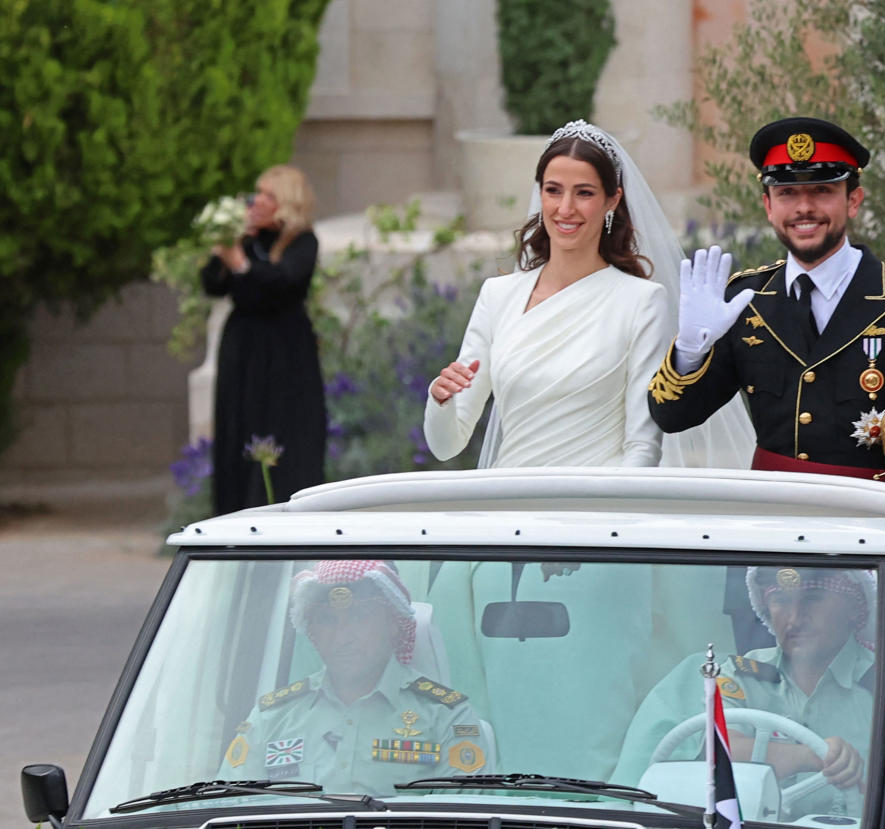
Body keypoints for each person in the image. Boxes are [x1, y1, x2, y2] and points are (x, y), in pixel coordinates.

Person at [420, 120, 751, 780]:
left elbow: (642, 443)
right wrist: (438, 397)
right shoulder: (498, 295)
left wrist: (594, 536)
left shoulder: (641, 302)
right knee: (492, 738)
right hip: (499, 547)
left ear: (611, 203)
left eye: (583, 192)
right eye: (553, 190)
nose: (566, 208)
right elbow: (451, 440)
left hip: (597, 554)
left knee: (592, 739)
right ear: (538, 196)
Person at [647, 117, 885, 496]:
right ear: (768, 205)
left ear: (853, 200)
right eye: (786, 193)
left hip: (870, 526)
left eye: (821, 190)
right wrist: (689, 351)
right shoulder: (746, 300)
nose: (804, 208)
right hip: (771, 521)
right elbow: (673, 417)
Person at [613, 566, 874, 818]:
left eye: (814, 599)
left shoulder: (883, 681)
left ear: (853, 607)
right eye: (780, 600)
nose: (794, 618)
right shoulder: (740, 674)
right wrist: (810, 756)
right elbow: (721, 749)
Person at [219, 560, 489, 793]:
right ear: (312, 631)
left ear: (393, 625)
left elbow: (464, 814)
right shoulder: (273, 716)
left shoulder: (446, 716)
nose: (342, 637)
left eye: (359, 616)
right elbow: (233, 802)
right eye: (327, 620)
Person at [201, 164, 326, 515]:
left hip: (285, 350)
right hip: (244, 347)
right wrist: (224, 249)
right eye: (258, 193)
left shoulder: (302, 241)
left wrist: (241, 264)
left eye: (269, 195)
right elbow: (212, 284)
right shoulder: (246, 239)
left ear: (286, 201)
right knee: (240, 426)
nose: (258, 201)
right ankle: (236, 510)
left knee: (286, 427)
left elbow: (284, 283)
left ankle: (286, 510)